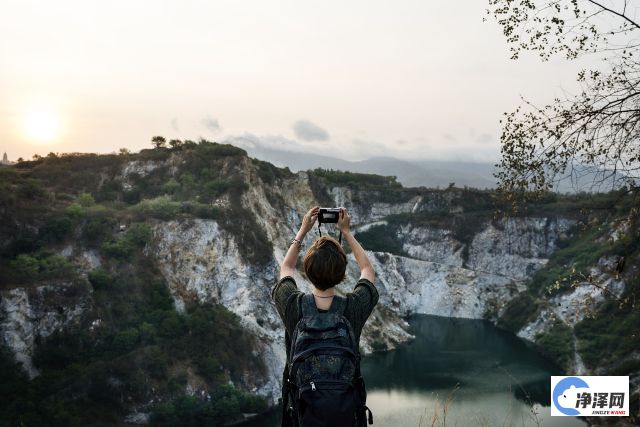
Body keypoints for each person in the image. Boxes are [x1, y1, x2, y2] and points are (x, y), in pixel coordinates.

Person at [272, 206, 378, 426]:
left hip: (303, 415)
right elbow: (367, 270)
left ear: (308, 271)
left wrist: (302, 230)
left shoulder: (294, 306)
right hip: (346, 416)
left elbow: (286, 267)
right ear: (342, 273)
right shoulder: (352, 308)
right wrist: (346, 232)